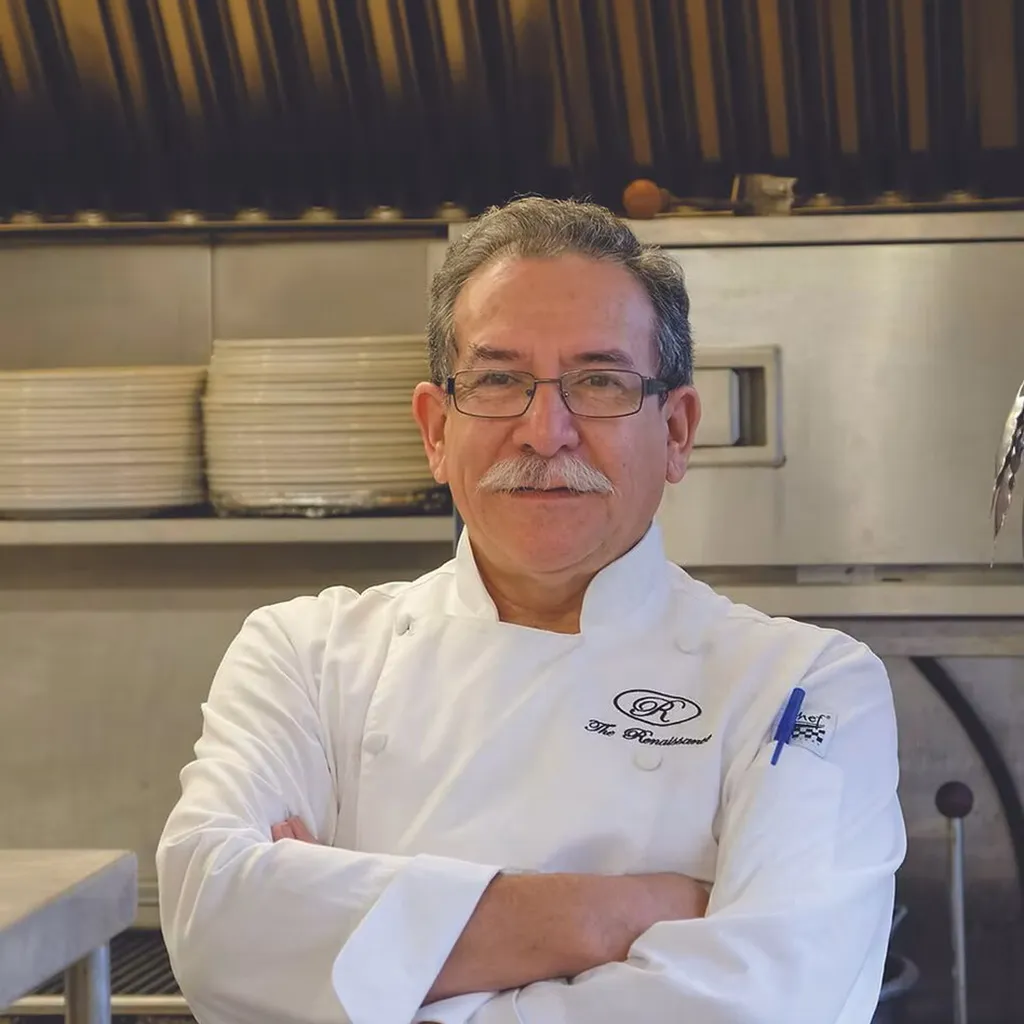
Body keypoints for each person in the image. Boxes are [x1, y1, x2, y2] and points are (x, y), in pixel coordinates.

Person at [157, 196, 906, 1024]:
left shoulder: (805, 687)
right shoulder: (304, 654)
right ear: (436, 431)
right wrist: (613, 913)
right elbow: (214, 926)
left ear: (679, 430)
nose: (545, 432)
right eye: (500, 380)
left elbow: (765, 1003)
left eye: (599, 381)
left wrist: (359, 955)